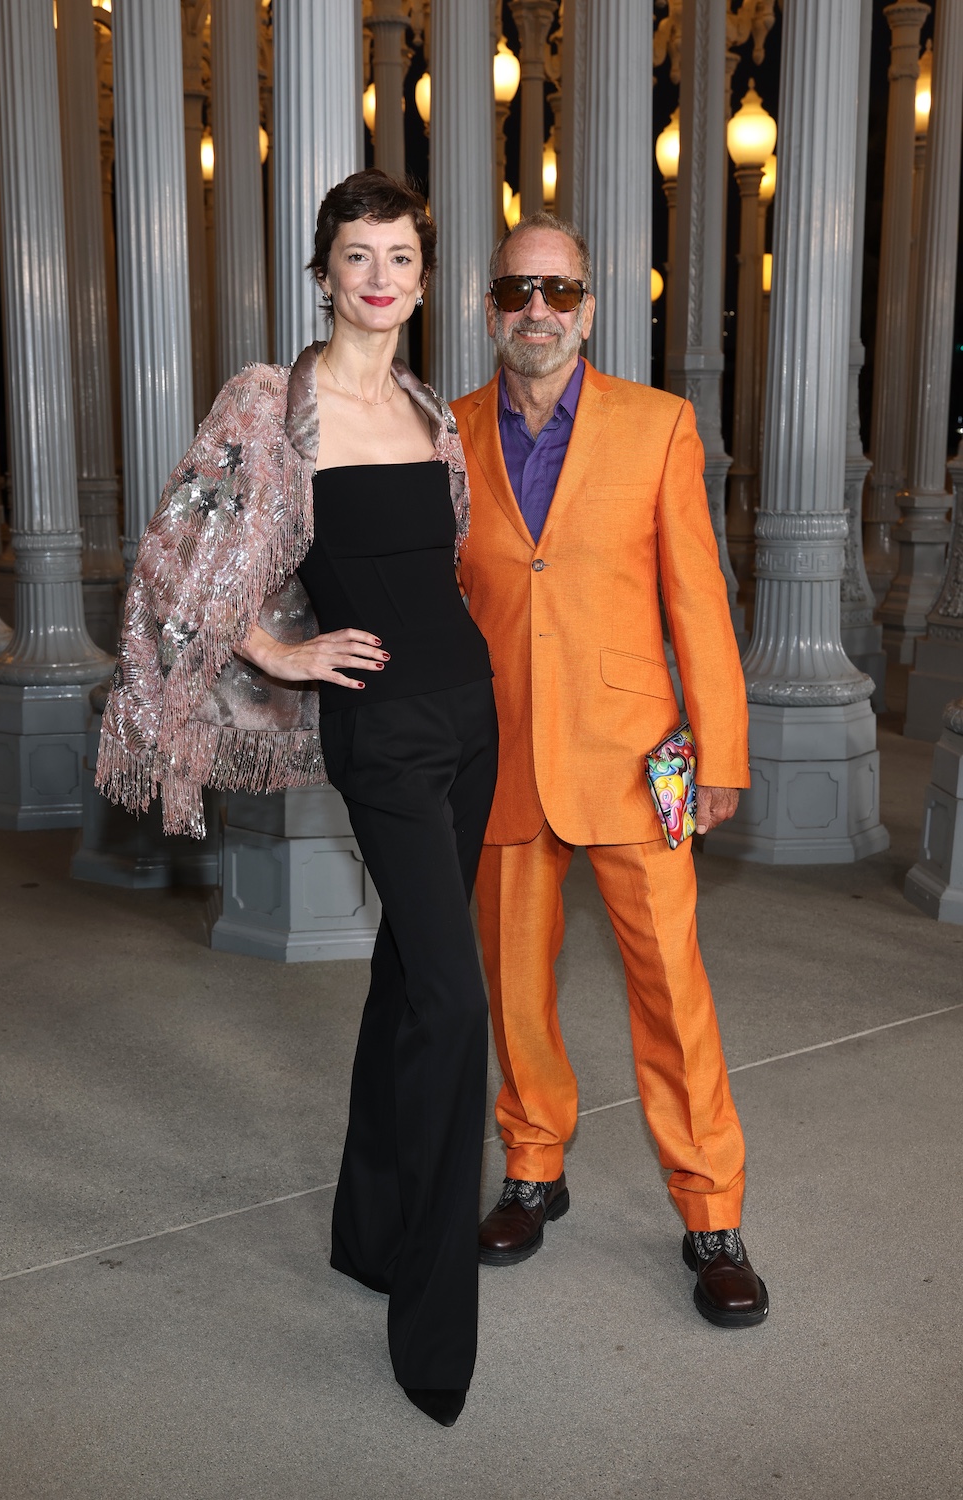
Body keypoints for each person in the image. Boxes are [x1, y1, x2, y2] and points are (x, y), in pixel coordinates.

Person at [97, 170, 497, 1425]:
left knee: (409, 978)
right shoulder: (273, 403)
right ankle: (431, 1326)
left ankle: (365, 1233)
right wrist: (274, 651)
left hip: (471, 717)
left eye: (400, 258)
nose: (379, 278)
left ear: (424, 282)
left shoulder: (429, 409)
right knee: (454, 1001)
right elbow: (173, 551)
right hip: (382, 733)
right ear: (322, 275)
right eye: (356, 257)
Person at [452, 212, 769, 1328]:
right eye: (515, 291)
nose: (535, 310)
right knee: (513, 986)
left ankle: (711, 1213)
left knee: (672, 991)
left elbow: (698, 600)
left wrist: (719, 749)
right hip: (499, 754)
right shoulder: (448, 433)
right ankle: (532, 1166)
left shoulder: (658, 424)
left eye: (558, 291)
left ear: (588, 310)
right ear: (489, 309)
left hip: (641, 759)